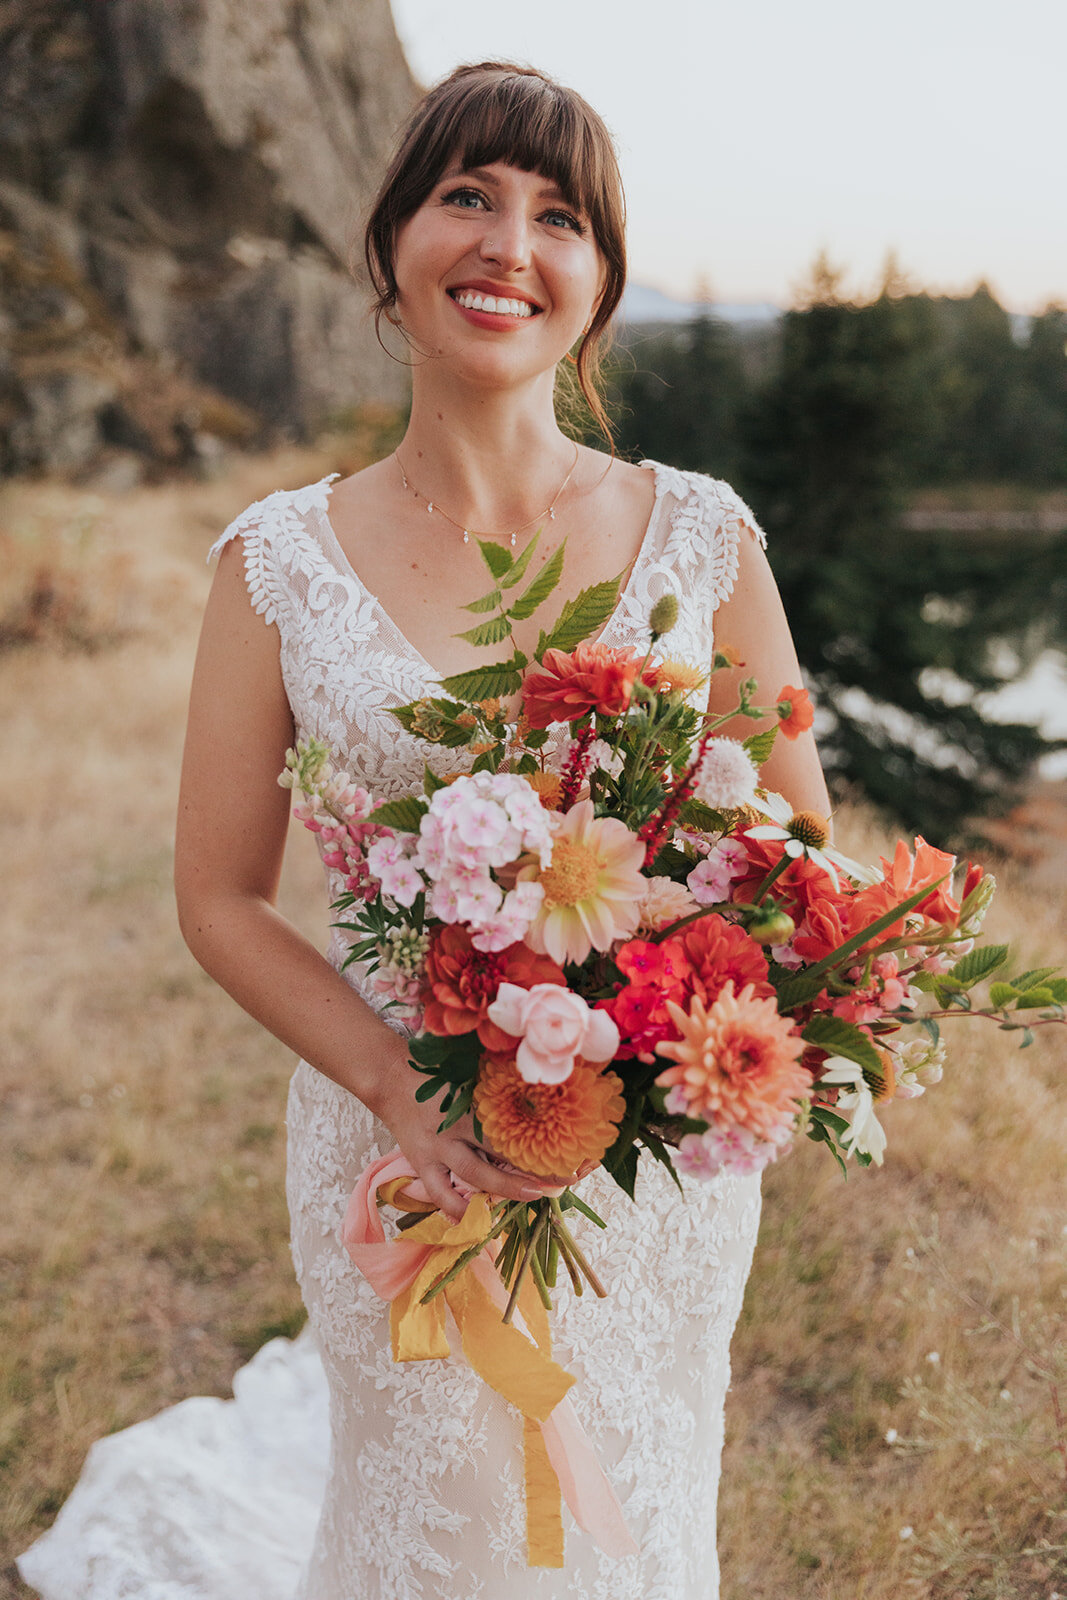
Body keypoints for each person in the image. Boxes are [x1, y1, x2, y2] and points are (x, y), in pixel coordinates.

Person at [21, 61, 830, 1600]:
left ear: (598, 287)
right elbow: (221, 899)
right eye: (467, 194)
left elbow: (796, 849)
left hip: (651, 1146)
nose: (509, 242)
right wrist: (403, 1090)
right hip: (401, 1141)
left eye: (560, 214)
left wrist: (642, 964)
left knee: (633, 1509)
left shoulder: (704, 536)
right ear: (391, 243)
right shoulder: (275, 564)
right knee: (442, 1534)